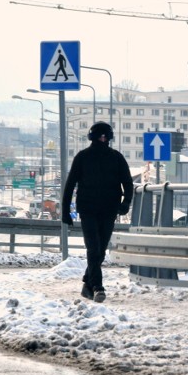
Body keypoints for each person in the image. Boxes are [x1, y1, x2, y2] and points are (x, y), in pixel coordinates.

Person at [62, 121, 133, 303]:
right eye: (100, 136)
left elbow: (128, 183)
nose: (103, 139)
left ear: (109, 138)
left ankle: (87, 282)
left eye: (105, 136)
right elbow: (70, 185)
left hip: (109, 210)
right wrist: (65, 210)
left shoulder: (116, 158)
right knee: (93, 248)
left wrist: (126, 203)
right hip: (88, 210)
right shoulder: (82, 157)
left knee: (100, 250)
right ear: (93, 137)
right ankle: (97, 287)